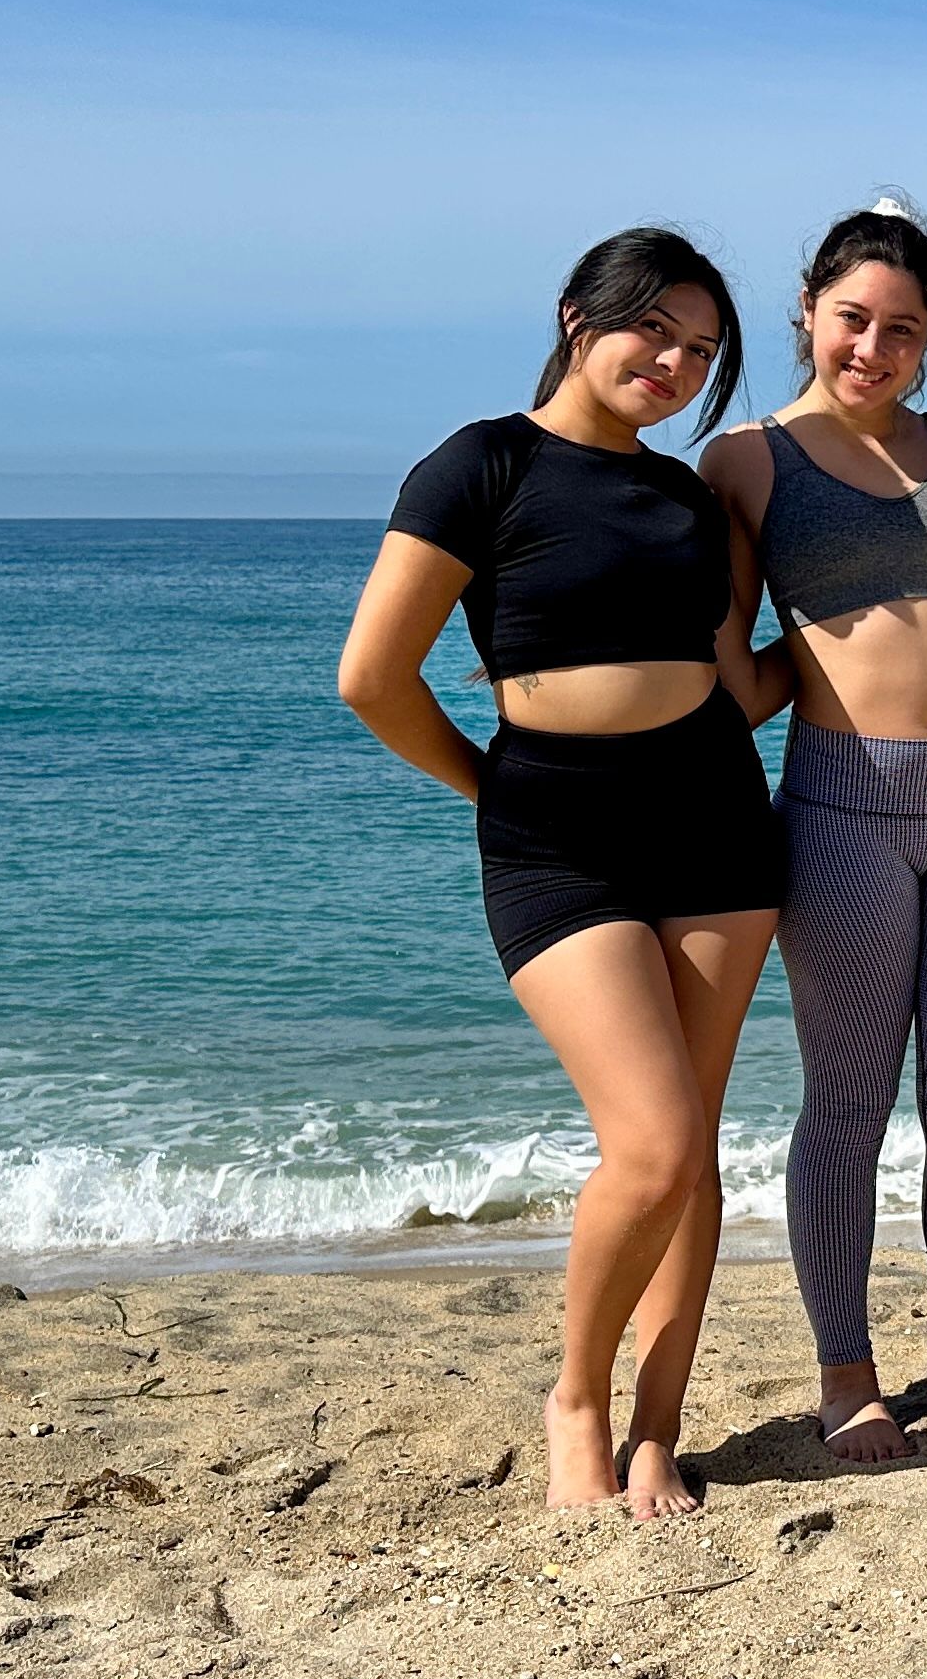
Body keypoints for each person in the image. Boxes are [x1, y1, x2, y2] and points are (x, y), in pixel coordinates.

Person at [335, 226, 786, 1521]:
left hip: (712, 820)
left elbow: (735, 676)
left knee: (690, 1148)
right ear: (578, 316)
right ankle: (575, 1399)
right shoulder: (483, 463)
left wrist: (893, 654)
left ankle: (657, 1431)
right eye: (657, 328)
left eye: (703, 351)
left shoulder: (693, 500)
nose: (678, 362)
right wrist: (492, 786)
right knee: (647, 1144)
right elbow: (374, 676)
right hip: (556, 836)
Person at [702, 198, 927, 1462]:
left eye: (902, 328)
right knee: (846, 1101)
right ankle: (848, 1372)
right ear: (808, 312)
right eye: (852, 319)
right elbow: (736, 668)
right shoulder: (743, 461)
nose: (873, 347)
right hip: (844, 803)